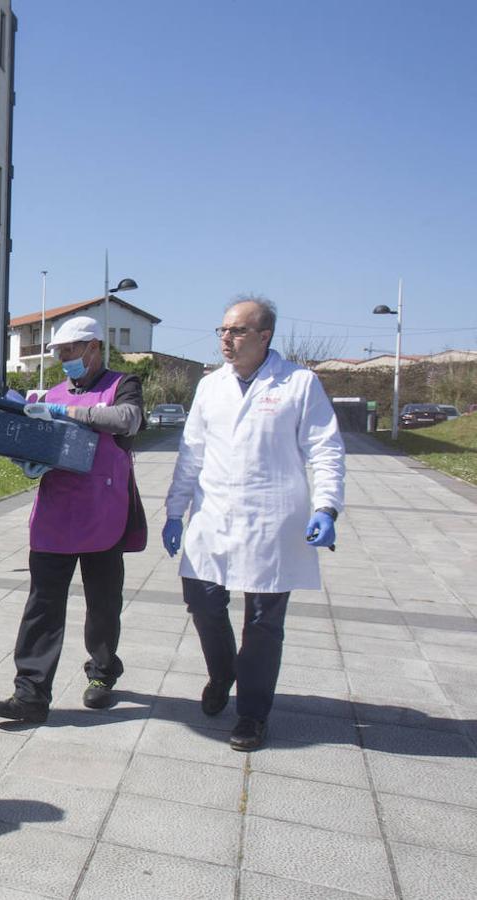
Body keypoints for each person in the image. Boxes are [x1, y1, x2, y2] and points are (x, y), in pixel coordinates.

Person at [162, 296, 345, 751]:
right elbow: (191, 454)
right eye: (222, 330)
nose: (226, 339)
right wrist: (173, 510)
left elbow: (325, 448)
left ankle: (252, 713)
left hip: (273, 517)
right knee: (203, 601)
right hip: (213, 514)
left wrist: (326, 507)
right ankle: (223, 673)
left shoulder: (299, 384)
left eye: (237, 331)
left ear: (264, 337)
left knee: (263, 622)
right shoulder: (209, 386)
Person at [0, 315, 148, 724]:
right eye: (59, 353)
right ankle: (31, 693)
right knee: (42, 606)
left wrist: (71, 414)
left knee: (103, 604)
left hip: (103, 513)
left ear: (94, 347)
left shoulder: (122, 385)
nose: (63, 359)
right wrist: (28, 458)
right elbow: (40, 443)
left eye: (70, 351)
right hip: (56, 514)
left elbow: (127, 420)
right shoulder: (53, 392)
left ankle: (102, 672)